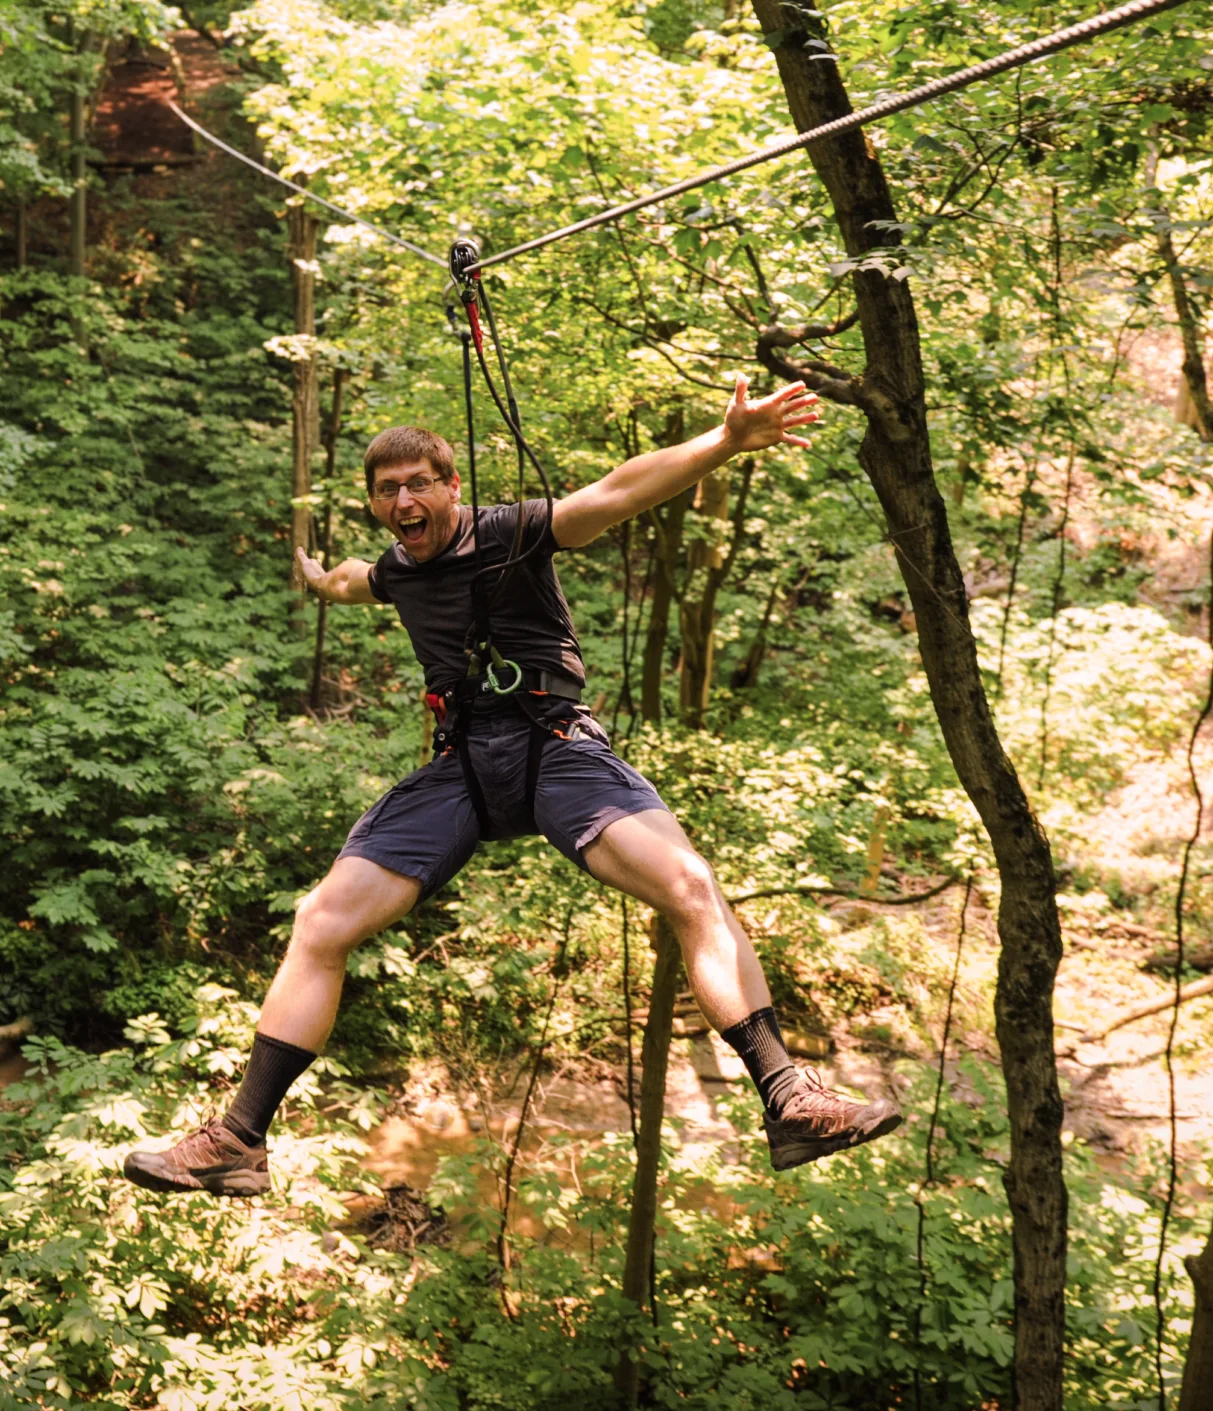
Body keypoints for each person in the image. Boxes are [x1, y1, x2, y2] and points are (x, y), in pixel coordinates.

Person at [123, 376, 901, 1197]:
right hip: (462, 766)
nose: (405, 499)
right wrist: (318, 580)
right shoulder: (397, 568)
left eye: (420, 482)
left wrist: (725, 438)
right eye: (388, 490)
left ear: (452, 487)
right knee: (321, 918)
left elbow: (618, 492)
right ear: (378, 506)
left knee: (688, 883)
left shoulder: (517, 531)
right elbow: (357, 581)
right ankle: (238, 1141)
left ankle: (789, 1095)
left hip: (554, 746)